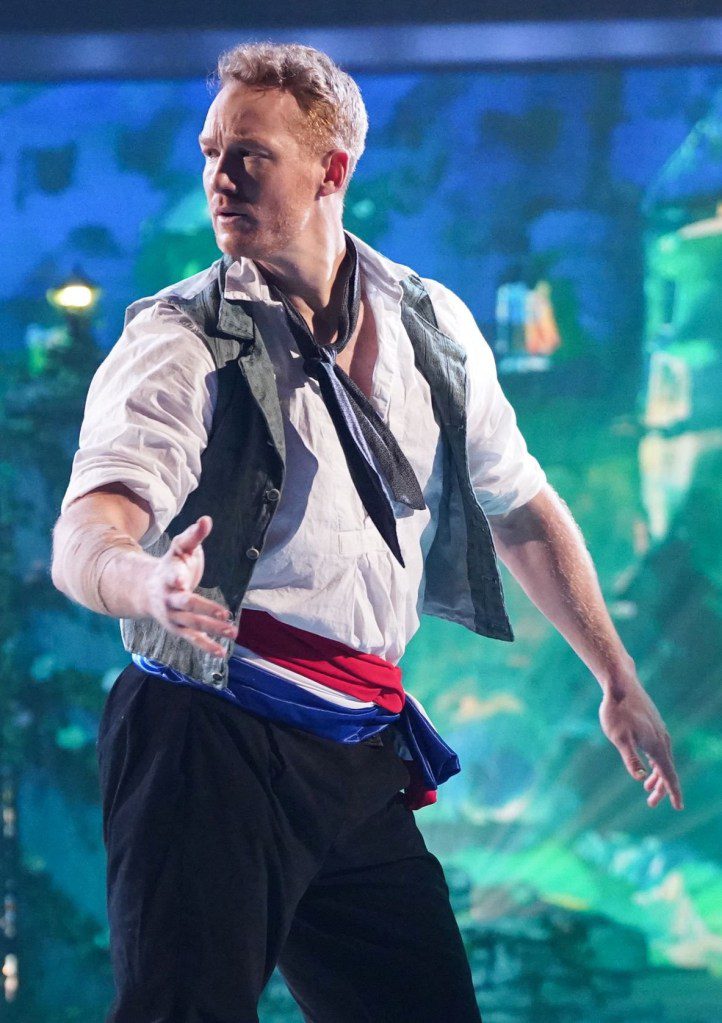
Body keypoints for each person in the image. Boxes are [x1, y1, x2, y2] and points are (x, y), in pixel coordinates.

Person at [51, 42, 683, 1023]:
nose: (219, 176)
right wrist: (145, 584)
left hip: (354, 745)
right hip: (206, 735)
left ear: (330, 169)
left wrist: (617, 674)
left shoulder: (431, 323)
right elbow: (88, 528)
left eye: (250, 154)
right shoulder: (177, 337)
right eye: (211, 151)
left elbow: (519, 503)